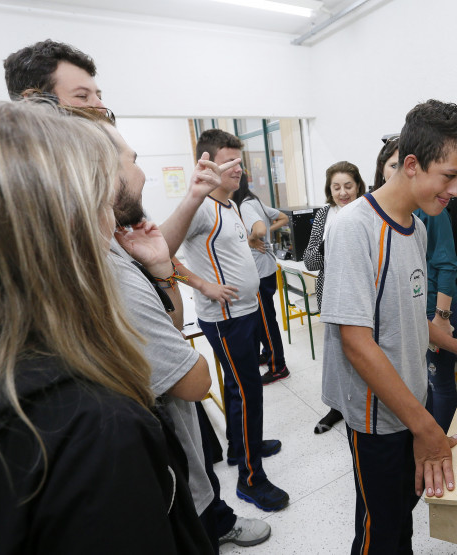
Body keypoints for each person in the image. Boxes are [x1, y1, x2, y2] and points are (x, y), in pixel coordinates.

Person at [2, 40, 271, 549]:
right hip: (142, 445)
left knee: (198, 464)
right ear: (38, 109)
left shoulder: (113, 233)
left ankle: (213, 512)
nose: (100, 107)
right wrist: (190, 278)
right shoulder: (73, 251)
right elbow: (187, 373)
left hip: (159, 411)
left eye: (99, 96)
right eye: (84, 97)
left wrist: (162, 270)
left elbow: (152, 272)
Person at [0, 100, 205, 553]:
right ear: (58, 226)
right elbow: (190, 379)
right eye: (97, 200)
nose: (109, 220)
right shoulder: (95, 431)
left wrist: (161, 272)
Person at [319, 99, 457, 553]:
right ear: (412, 165)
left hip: (410, 403)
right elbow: (356, 343)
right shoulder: (354, 228)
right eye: (450, 176)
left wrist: (454, 343)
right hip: (378, 418)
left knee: (401, 520)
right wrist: (426, 428)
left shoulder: (416, 228)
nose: (456, 190)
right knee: (379, 530)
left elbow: (409, 313)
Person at [160, 128, 290, 512]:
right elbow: (163, 253)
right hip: (226, 317)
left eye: (240, 161)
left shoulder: (230, 205)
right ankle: (251, 479)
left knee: (237, 387)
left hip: (245, 311)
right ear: (208, 165)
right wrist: (204, 285)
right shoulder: (200, 208)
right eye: (229, 161)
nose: (238, 168)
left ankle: (239, 447)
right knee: (248, 392)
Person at [375, 135, 457, 432]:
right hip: (412, 310)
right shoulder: (376, 217)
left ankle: (442, 439)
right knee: (418, 379)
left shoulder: (430, 211)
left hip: (437, 307)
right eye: (392, 165)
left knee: (439, 380)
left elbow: (447, 265)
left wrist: (441, 318)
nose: (398, 171)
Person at [304, 161, 367, 434]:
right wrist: (331, 240)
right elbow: (310, 261)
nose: (343, 193)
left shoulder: (369, 211)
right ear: (329, 190)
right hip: (331, 294)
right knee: (336, 356)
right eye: (336, 187)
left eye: (348, 186)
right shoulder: (324, 215)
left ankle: (363, 406)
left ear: (358, 186)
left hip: (362, 295)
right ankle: (337, 407)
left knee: (363, 352)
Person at [233, 172, 292, 385]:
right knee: (262, 320)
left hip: (260, 273)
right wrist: (267, 231)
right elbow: (283, 218)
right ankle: (268, 354)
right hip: (265, 270)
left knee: (267, 322)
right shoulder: (253, 200)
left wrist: (253, 238)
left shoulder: (245, 206)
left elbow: (259, 228)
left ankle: (279, 367)